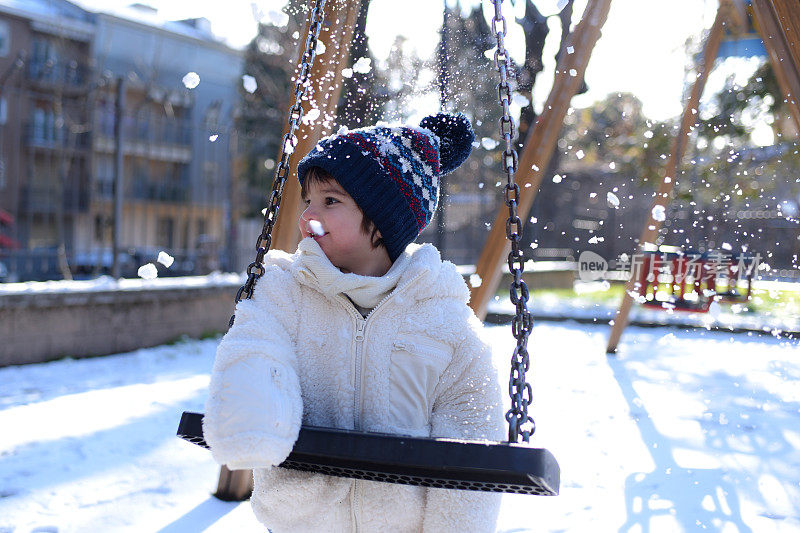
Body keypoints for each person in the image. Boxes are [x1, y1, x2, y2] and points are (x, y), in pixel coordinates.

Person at [204, 112, 504, 532]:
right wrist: (250, 426)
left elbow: (473, 427)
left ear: (383, 220)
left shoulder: (442, 316)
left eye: (330, 201)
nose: (309, 214)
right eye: (308, 201)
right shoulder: (285, 291)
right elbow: (256, 348)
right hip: (303, 521)